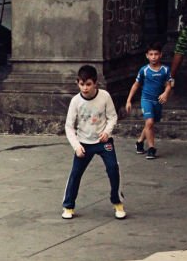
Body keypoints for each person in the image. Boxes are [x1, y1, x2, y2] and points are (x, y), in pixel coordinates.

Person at [62, 65, 125, 220]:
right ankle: (68, 206)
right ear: (77, 83)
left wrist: (107, 132)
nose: (85, 88)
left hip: (103, 142)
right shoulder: (75, 101)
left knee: (113, 169)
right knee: (75, 174)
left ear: (95, 83)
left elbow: (113, 117)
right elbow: (69, 126)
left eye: (88, 84)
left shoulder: (104, 96)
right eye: (82, 84)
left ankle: (117, 203)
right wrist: (76, 146)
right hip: (83, 143)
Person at [126, 42, 172, 160]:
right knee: (150, 122)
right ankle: (151, 148)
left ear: (160, 55)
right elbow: (136, 85)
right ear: (147, 55)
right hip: (146, 99)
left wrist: (166, 93)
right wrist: (129, 100)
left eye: (156, 54)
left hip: (158, 101)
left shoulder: (165, 70)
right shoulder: (144, 70)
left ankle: (139, 142)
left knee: (149, 124)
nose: (153, 57)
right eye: (151, 54)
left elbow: (168, 84)